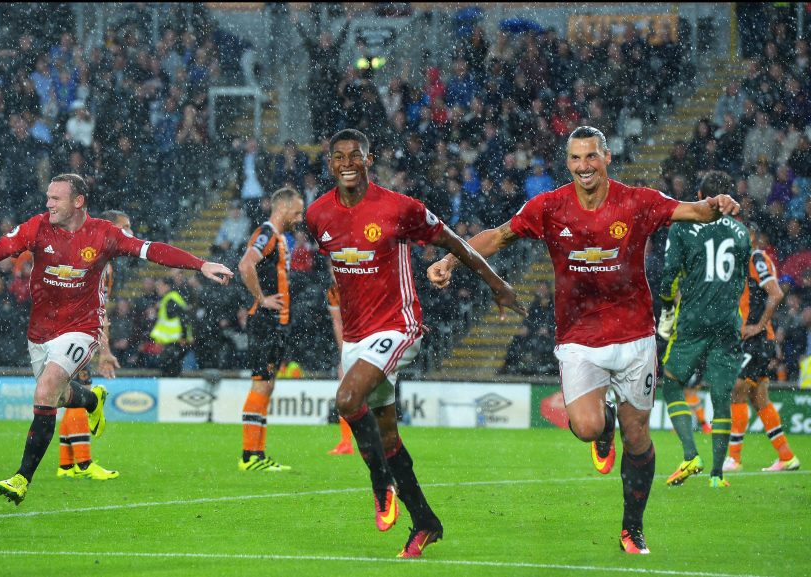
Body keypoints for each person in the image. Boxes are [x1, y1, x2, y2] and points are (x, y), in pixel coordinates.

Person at [427, 127, 741, 554]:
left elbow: (694, 212)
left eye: (591, 156)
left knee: (639, 439)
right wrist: (450, 258)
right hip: (578, 337)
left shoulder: (637, 202)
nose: (583, 166)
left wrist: (718, 205)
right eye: (575, 158)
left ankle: (632, 528)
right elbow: (498, 236)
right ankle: (603, 425)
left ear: (607, 157)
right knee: (587, 427)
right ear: (567, 162)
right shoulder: (550, 207)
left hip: (634, 337)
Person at [0, 174, 233, 504]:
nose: (48, 204)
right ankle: (91, 400)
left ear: (78, 202)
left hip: (81, 327)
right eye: (48, 198)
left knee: (46, 387)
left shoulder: (105, 234)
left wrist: (200, 265)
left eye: (56, 199)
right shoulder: (36, 228)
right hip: (41, 332)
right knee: (56, 395)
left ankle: (22, 477)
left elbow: (152, 251)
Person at [307, 129, 523, 558]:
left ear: (369, 160)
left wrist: (496, 285)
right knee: (387, 438)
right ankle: (425, 521)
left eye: (356, 155)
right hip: (356, 336)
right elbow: (339, 263)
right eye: (339, 156)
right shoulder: (317, 215)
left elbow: (452, 241)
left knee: (348, 399)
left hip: (399, 327)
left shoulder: (399, 208)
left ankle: (378, 482)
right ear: (330, 163)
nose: (347, 162)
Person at [655, 170, 750, 490]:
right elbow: (740, 280)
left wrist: (667, 303)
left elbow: (669, 273)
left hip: (694, 318)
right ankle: (717, 475)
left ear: (700, 196)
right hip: (727, 320)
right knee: (722, 395)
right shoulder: (740, 232)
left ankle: (690, 454)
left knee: (670, 382)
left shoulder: (683, 226)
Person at [56, 209, 131, 481]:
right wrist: (105, 351)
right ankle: (85, 464)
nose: (129, 234)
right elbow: (96, 311)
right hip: (73, 333)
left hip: (62, 330)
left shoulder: (90, 254)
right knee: (81, 394)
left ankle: (67, 466)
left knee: (69, 393)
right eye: (125, 228)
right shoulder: (100, 262)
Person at [236, 187, 304, 472]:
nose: (300, 218)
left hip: (278, 323)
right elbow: (245, 265)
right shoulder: (265, 232)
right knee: (261, 382)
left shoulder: (278, 237)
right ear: (283, 209)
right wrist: (261, 299)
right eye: (297, 212)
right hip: (265, 321)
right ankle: (250, 456)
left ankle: (258, 455)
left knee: (268, 383)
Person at [723, 222, 800, 473]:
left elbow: (775, 293)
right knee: (759, 398)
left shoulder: (756, 258)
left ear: (752, 237)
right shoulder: (744, 262)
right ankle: (786, 456)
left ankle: (734, 458)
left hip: (756, 340)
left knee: (736, 388)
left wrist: (758, 325)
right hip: (754, 339)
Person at [325, 284, 354, 456]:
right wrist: (345, 353)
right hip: (352, 342)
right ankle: (346, 442)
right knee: (344, 391)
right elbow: (337, 322)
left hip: (369, 339)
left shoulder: (360, 281)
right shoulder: (334, 291)